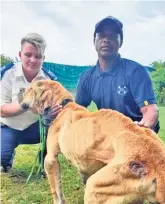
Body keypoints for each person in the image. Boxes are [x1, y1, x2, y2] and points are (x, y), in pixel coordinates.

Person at [75, 16, 159, 133]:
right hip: (109, 136)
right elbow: (76, 111)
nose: (106, 40)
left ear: (121, 42)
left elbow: (150, 110)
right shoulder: (87, 77)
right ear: (94, 40)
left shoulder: (135, 71)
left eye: (113, 36)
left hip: (136, 133)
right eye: (101, 35)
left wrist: (142, 129)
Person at [0, 33, 62, 172]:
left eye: (38, 56)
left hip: (35, 128)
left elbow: (52, 110)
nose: (33, 60)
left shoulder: (49, 80)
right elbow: (2, 110)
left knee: (55, 128)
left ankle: (46, 161)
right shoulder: (7, 74)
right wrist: (27, 103)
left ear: (43, 58)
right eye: (28, 55)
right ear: (20, 54)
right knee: (1, 159)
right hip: (9, 127)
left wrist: (48, 114)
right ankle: (7, 157)